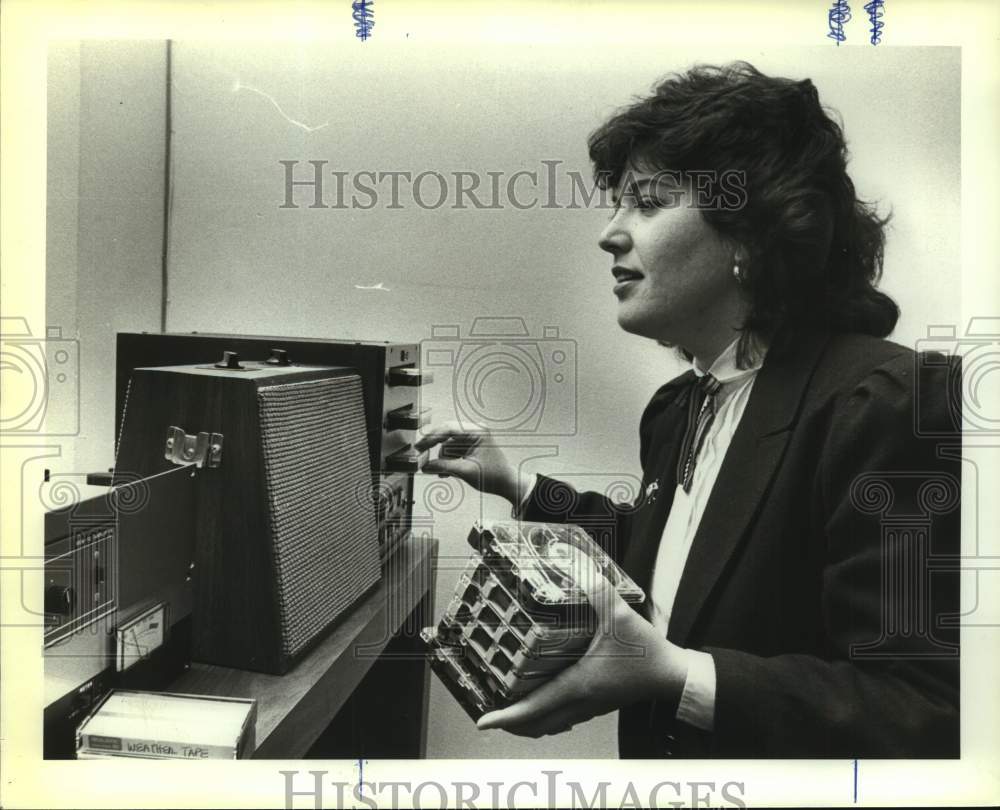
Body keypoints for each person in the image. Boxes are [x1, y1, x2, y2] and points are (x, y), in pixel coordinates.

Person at [416, 62, 960, 758]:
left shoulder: (888, 403)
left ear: (750, 232)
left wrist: (675, 676)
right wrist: (515, 484)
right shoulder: (678, 408)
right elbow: (677, 565)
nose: (610, 234)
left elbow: (931, 710)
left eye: (646, 203)